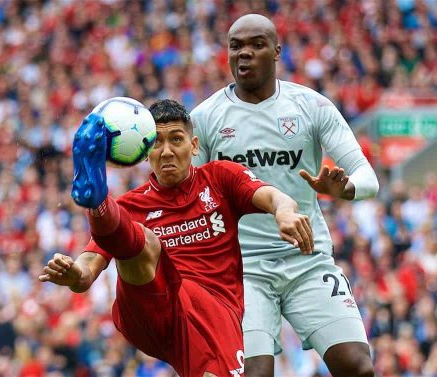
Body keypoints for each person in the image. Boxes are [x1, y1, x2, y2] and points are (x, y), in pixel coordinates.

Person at [39, 99, 313, 377]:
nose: (167, 151)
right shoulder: (132, 206)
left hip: (214, 312)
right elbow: (86, 272)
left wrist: (284, 211)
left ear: (194, 146)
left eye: (176, 139)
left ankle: (98, 204)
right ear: (146, 152)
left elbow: (273, 196)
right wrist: (75, 272)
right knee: (144, 242)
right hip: (151, 305)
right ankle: (97, 201)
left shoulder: (219, 177)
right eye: (157, 142)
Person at [191, 14, 378, 377]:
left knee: (358, 368)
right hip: (242, 271)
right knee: (255, 374)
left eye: (256, 45)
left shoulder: (311, 106)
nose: (244, 54)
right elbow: (186, 197)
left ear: (277, 52)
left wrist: (344, 189)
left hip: (307, 260)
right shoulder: (205, 117)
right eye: (236, 46)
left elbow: (368, 176)